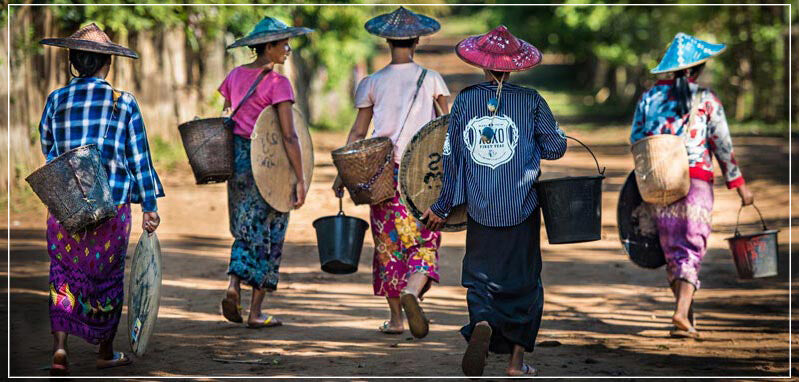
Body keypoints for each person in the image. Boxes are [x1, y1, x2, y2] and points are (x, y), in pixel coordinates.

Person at [423, 26, 566, 376]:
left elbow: (452, 158)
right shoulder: (532, 100)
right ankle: (516, 363)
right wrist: (549, 137)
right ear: (514, 67)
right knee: (525, 283)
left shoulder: (466, 100)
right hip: (522, 209)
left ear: (483, 66)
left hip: (481, 210)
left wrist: (442, 207)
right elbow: (555, 148)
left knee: (481, 280)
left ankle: (483, 322)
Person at [38, 23, 164, 375]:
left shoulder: (56, 100)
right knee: (107, 277)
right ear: (108, 63)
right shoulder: (122, 103)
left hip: (65, 206)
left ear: (74, 63)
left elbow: (48, 147)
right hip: (111, 208)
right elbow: (139, 158)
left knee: (62, 273)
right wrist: (149, 206)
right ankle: (105, 351)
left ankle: (60, 349)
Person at [333, 7, 450, 339]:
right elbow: (447, 127)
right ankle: (414, 289)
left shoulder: (372, 82)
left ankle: (397, 319)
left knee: (388, 245)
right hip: (424, 177)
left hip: (383, 176)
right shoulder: (432, 79)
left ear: (387, 42)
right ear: (416, 42)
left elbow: (357, 134)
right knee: (424, 240)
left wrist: (342, 175)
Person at [631, 33, 753, 338]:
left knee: (674, 250)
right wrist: (739, 185)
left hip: (660, 182)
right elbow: (722, 146)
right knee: (691, 247)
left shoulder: (650, 97)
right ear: (698, 69)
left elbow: (636, 138)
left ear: (671, 69)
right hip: (696, 182)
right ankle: (682, 314)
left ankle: (684, 317)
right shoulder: (708, 100)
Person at [218, 16, 312, 329]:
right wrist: (301, 178)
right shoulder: (278, 83)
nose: (287, 49)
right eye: (282, 44)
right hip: (271, 162)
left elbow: (228, 111)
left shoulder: (234, 75)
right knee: (271, 232)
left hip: (239, 160)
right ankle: (256, 312)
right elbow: (289, 135)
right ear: (267, 46)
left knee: (245, 226)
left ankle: (233, 284)